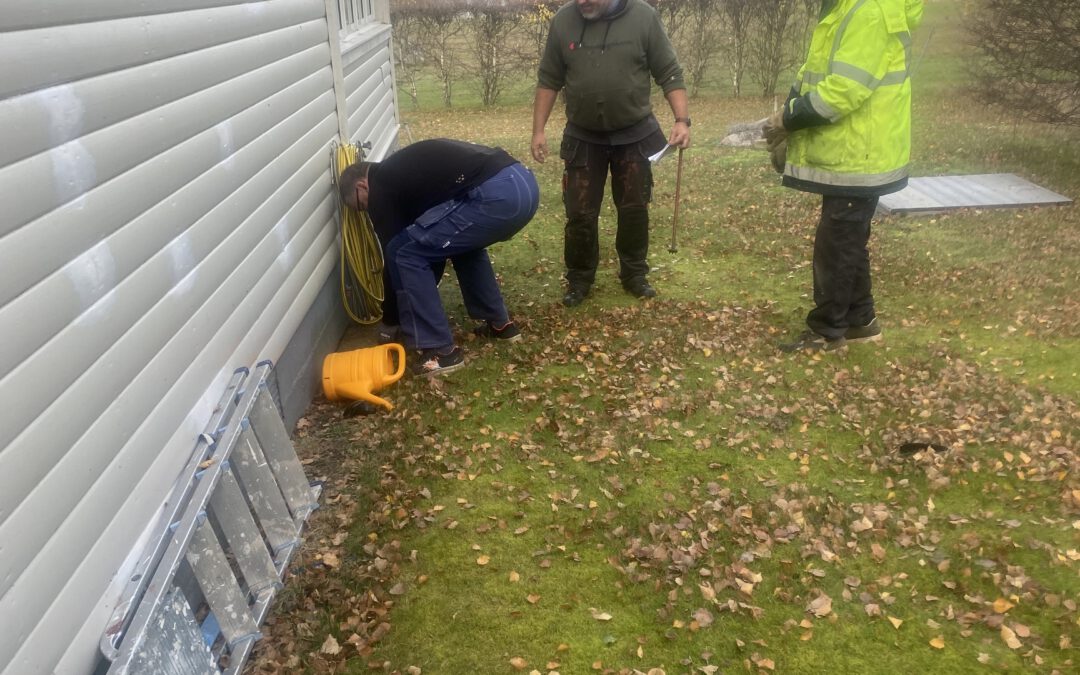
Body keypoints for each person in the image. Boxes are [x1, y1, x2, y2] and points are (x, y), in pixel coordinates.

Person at [765, 0, 923, 352]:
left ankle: (827, 331)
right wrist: (791, 110)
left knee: (836, 243)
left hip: (860, 153)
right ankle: (860, 320)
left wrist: (789, 118)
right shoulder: (842, 9)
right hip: (853, 151)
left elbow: (843, 91)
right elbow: (812, 72)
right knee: (847, 239)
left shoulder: (868, 12)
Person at [531, 0, 690, 307]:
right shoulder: (563, 21)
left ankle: (633, 275)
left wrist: (682, 120)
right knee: (579, 213)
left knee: (634, 207)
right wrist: (538, 130)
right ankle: (579, 279)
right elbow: (549, 78)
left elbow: (669, 72)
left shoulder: (644, 17)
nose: (583, 2)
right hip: (582, 135)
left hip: (634, 132)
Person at [339, 139, 540, 375]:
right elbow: (432, 249)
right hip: (523, 184)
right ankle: (501, 325)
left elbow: (394, 254)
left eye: (361, 206)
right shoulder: (399, 172)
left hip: (497, 194)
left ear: (362, 186)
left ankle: (441, 352)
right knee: (461, 246)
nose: (365, 211)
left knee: (404, 253)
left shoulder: (380, 185)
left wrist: (390, 321)